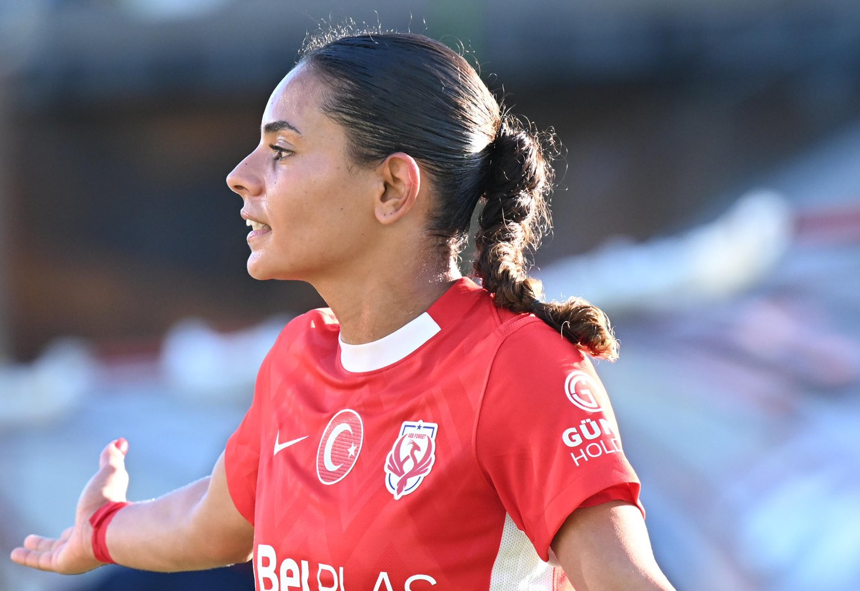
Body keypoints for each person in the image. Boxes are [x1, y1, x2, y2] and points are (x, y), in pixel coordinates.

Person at [10, 30, 676, 591]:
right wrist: (101, 529)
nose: (241, 176)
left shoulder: (516, 365)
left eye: (281, 151)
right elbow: (208, 522)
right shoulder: (297, 358)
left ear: (391, 187)